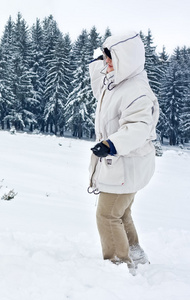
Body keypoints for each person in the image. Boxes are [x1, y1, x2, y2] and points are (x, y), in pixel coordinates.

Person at [88, 32, 159, 275]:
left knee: (107, 215)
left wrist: (111, 144)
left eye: (111, 60)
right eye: (106, 59)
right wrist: (99, 63)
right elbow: (102, 92)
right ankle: (135, 255)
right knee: (121, 213)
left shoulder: (136, 90)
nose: (107, 65)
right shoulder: (119, 82)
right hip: (123, 166)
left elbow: (138, 128)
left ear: (125, 59)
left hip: (125, 164)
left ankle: (118, 265)